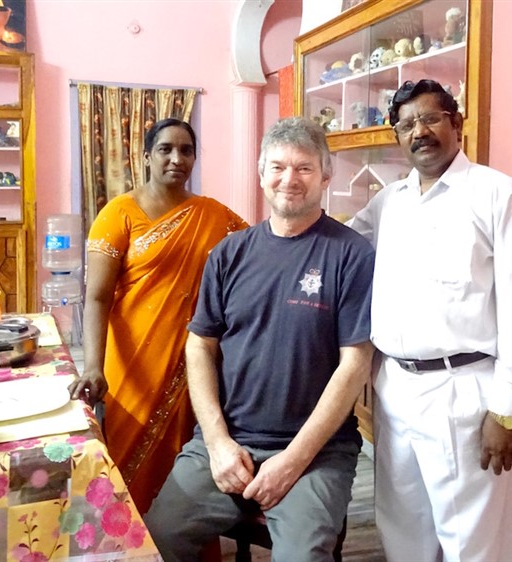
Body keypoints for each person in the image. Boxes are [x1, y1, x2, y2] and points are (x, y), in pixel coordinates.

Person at [144, 117, 376, 560]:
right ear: (261, 173)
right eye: (278, 167)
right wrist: (217, 443)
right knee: (159, 536)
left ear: (326, 176)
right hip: (231, 438)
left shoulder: (351, 255)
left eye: (304, 168)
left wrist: (292, 461)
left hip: (318, 451)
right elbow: (199, 345)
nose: (290, 179)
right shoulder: (230, 253)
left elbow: (355, 365)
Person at [348, 79, 512, 561]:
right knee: (403, 531)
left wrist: (507, 409)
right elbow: (340, 252)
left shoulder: (498, 196)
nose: (418, 132)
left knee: (473, 544)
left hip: (465, 395)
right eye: (405, 125)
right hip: (395, 390)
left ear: (456, 124)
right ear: (396, 137)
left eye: (430, 118)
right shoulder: (388, 203)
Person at [67, 118, 248, 514]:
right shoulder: (119, 214)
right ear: (147, 156)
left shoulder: (212, 214)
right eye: (165, 149)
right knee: (126, 467)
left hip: (192, 365)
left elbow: (254, 254)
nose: (176, 158)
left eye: (186, 150)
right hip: (131, 365)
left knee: (183, 465)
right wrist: (93, 367)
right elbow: (96, 297)